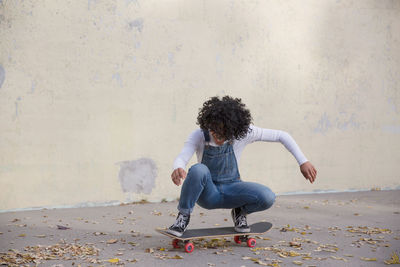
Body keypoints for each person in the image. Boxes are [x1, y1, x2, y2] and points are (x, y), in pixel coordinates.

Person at [167, 96, 317, 237]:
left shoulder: (244, 133)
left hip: (233, 189)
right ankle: (182, 218)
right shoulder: (199, 135)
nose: (217, 137)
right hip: (208, 193)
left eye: (222, 133)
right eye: (213, 131)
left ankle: (240, 211)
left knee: (268, 197)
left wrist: (303, 161)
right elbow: (183, 156)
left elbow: (281, 135)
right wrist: (178, 167)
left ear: (234, 130)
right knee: (198, 169)